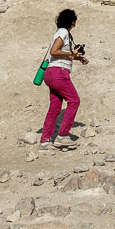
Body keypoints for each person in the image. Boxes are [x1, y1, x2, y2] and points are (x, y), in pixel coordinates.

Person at [40, 8, 88, 148]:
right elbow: (54, 51)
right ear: (72, 21)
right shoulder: (63, 32)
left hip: (51, 72)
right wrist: (72, 54)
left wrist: (78, 58)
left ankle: (45, 141)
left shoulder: (60, 33)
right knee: (74, 100)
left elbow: (60, 54)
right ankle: (63, 135)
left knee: (55, 107)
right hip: (58, 73)